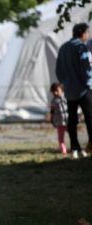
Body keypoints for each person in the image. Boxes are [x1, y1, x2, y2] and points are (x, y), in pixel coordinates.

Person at [56, 22, 92, 159]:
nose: (88, 35)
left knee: (72, 120)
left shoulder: (63, 48)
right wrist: (89, 83)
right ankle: (90, 144)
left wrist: (65, 83)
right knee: (90, 117)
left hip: (69, 90)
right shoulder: (80, 47)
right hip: (83, 89)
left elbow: (58, 70)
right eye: (87, 33)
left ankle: (75, 148)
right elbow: (86, 69)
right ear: (82, 33)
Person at [49, 82, 68, 155]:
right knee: (61, 139)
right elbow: (52, 111)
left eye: (57, 91)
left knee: (73, 136)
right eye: (53, 91)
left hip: (68, 122)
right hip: (59, 123)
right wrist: (52, 119)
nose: (55, 93)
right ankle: (64, 151)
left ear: (62, 90)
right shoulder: (53, 101)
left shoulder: (67, 98)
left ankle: (75, 148)